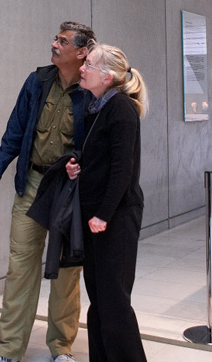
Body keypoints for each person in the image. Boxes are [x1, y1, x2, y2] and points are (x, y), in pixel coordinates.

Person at [0, 22, 96, 362]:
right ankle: (9, 350)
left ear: (81, 52)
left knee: (66, 272)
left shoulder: (91, 89)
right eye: (55, 38)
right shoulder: (37, 81)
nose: (53, 44)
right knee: (20, 267)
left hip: (69, 190)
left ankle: (61, 348)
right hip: (32, 184)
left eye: (62, 41)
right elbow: (15, 130)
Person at [65, 44, 148, 362]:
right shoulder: (97, 106)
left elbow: (123, 169)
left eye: (89, 64)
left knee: (114, 304)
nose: (82, 68)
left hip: (115, 217)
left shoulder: (121, 108)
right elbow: (100, 158)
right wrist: (76, 166)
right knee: (99, 301)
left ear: (107, 76)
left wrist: (103, 214)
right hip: (96, 217)